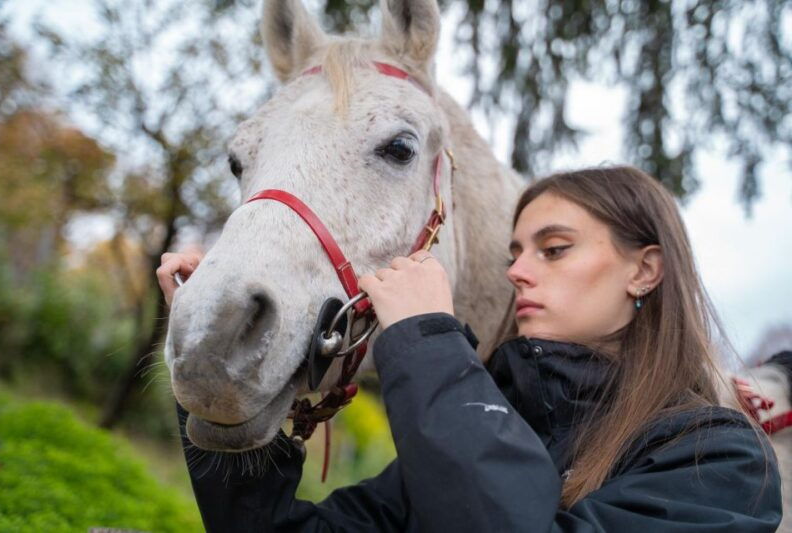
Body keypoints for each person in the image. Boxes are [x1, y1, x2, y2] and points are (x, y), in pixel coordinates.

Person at [157, 166, 782, 532]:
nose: (517, 272)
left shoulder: (719, 460)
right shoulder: (483, 426)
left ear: (644, 271)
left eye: (554, 249)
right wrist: (219, 357)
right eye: (516, 253)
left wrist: (428, 340)